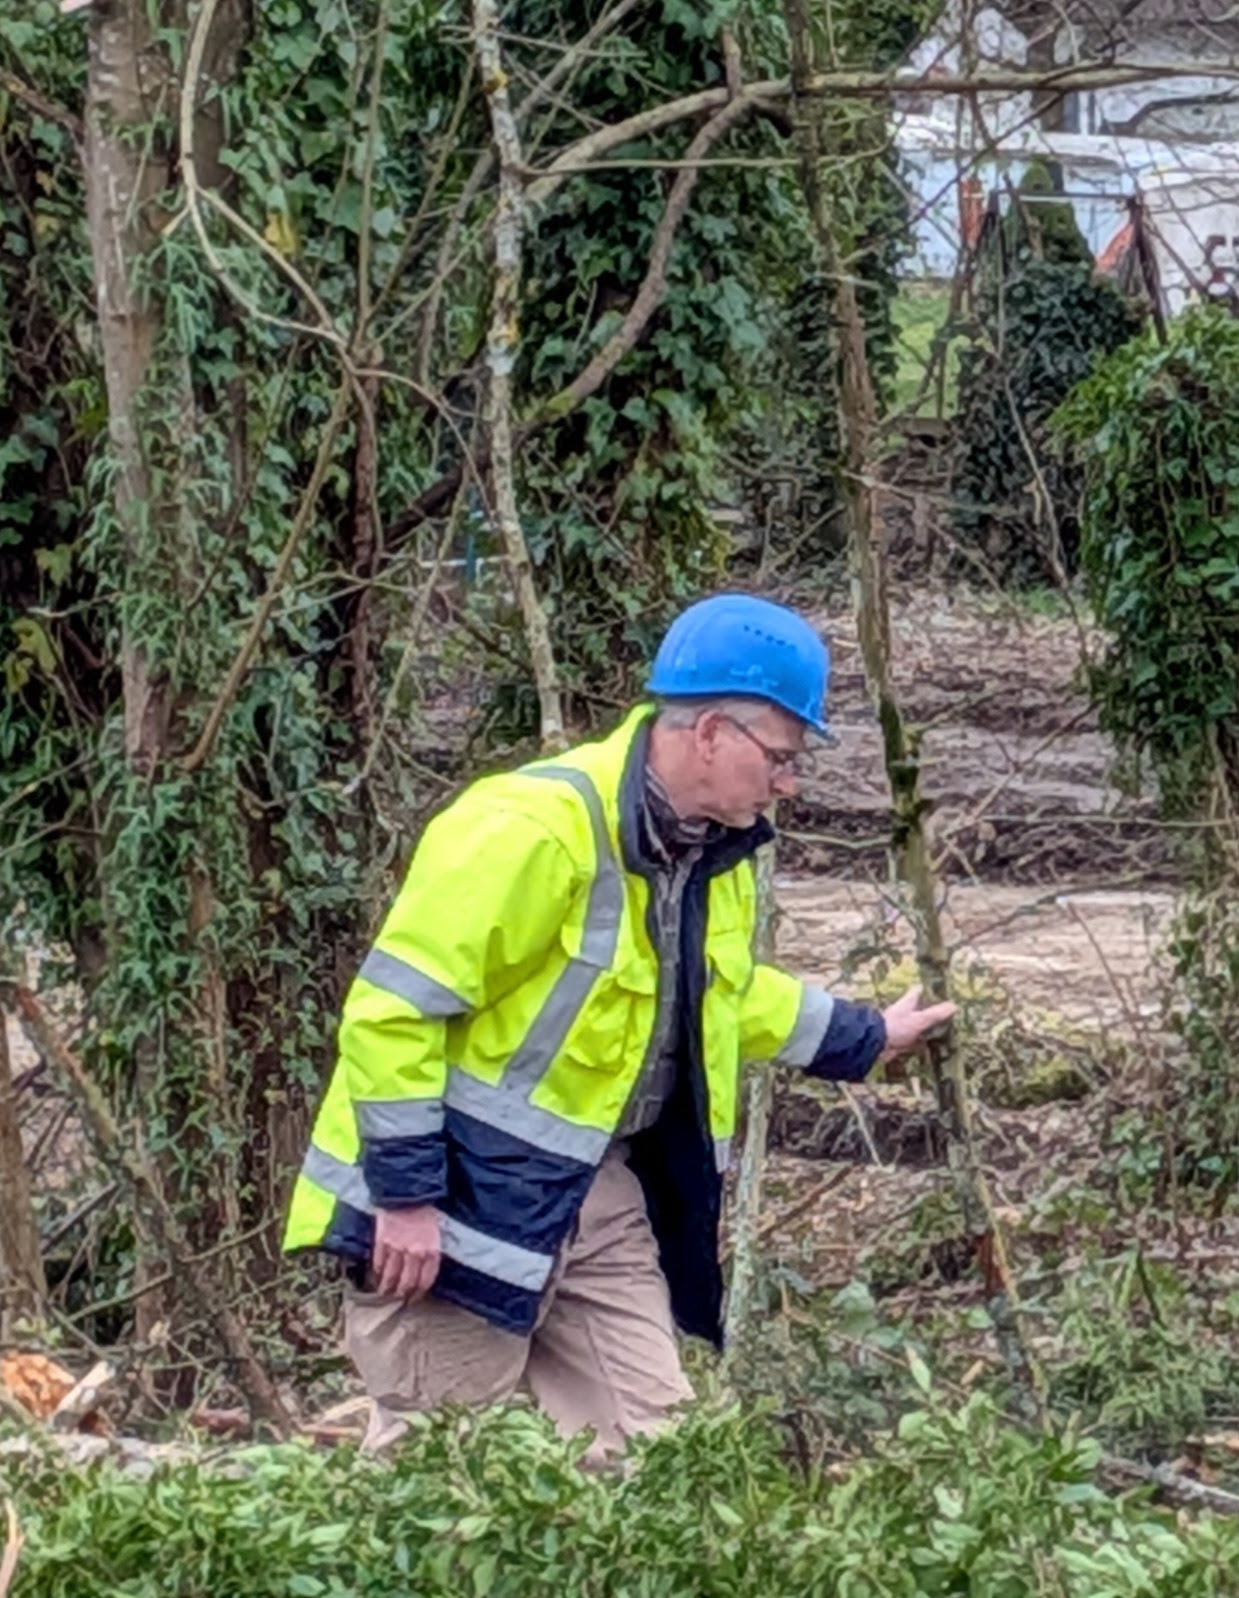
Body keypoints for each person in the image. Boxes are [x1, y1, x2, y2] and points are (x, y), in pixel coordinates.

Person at [286, 593, 954, 1460]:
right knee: (438, 1474)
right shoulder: (531, 828)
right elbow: (395, 1010)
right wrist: (407, 1199)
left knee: (662, 1462)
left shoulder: (713, 852)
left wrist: (865, 1036)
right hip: (454, 1196)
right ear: (710, 732)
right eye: (782, 758)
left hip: (589, 1193)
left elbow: (719, 998)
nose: (788, 784)